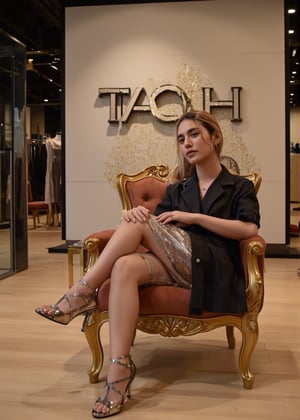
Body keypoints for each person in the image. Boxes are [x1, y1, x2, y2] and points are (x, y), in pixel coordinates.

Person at [35, 110, 260, 418]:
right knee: (125, 265)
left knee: (140, 224)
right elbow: (155, 228)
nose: (187, 144)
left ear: (215, 137)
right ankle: (119, 372)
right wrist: (134, 217)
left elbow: (249, 230)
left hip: (211, 266)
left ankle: (82, 292)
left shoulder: (239, 186)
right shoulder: (179, 189)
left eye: (194, 134)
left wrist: (194, 218)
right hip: (174, 263)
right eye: (181, 139)